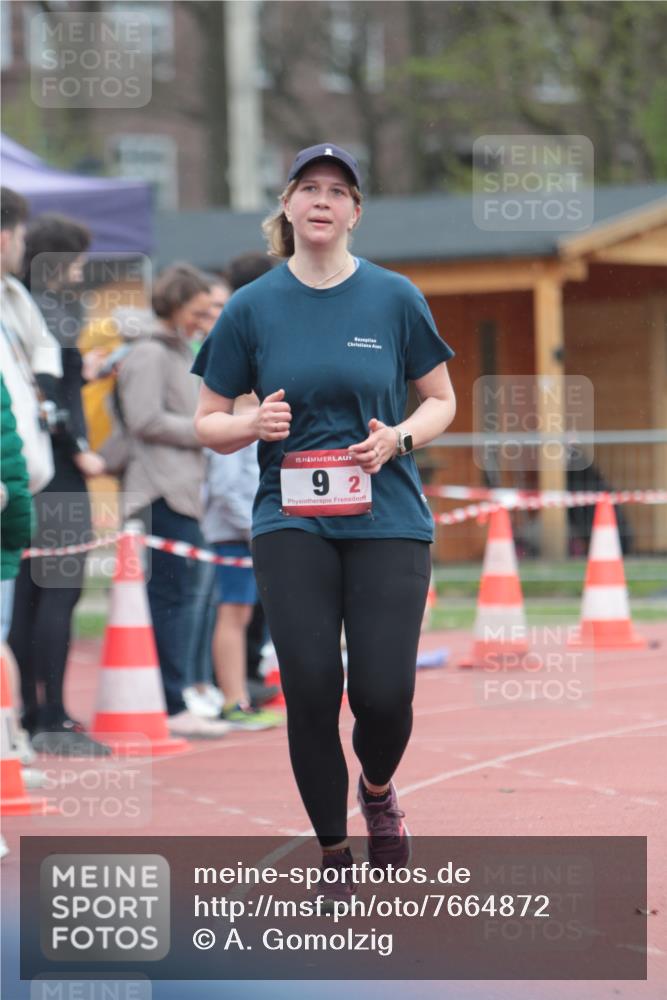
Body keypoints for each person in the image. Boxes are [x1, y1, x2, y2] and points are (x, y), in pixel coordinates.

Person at [192, 143, 456, 899]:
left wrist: (398, 437)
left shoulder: (394, 296)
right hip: (290, 520)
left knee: (383, 696)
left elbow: (440, 400)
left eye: (338, 192)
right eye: (309, 188)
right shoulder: (251, 307)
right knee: (309, 688)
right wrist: (251, 423)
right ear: (287, 204)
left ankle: (377, 790)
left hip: (387, 517)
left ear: (355, 213)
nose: (322, 201)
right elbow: (207, 420)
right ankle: (334, 855)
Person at [8, 213, 110, 756]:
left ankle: (29, 711)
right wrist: (79, 449)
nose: (79, 272)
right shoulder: (52, 309)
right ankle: (53, 716)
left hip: (28, 468)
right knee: (59, 593)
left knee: (27, 595)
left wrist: (81, 371)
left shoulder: (19, 307)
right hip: (59, 471)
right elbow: (48, 398)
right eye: (75, 262)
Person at [115, 264, 230, 739]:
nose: (204, 321)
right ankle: (171, 699)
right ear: (176, 305)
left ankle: (180, 693)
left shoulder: (180, 350)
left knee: (186, 599)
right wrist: (204, 430)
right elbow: (143, 419)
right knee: (169, 600)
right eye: (197, 312)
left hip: (182, 490)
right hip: (158, 491)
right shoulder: (149, 353)